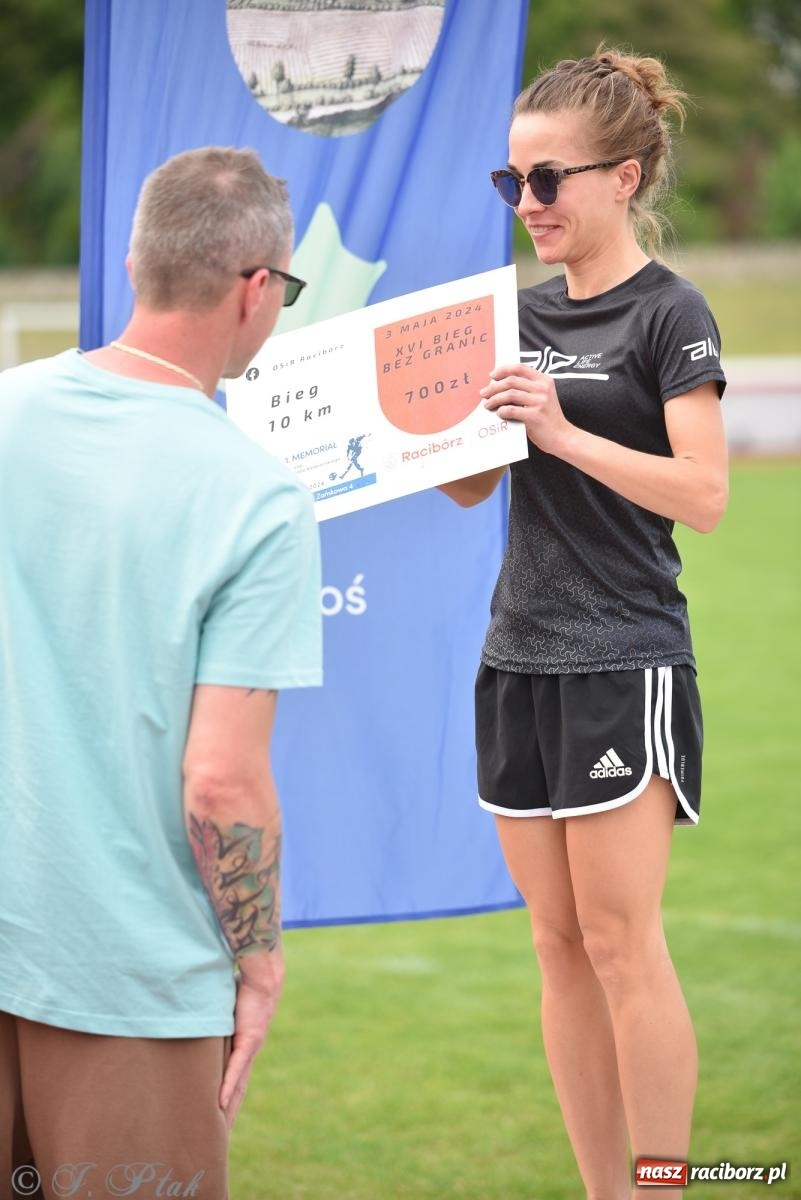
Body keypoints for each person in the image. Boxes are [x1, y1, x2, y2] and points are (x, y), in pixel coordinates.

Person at [0, 147, 322, 1197]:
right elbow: (220, 781)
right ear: (256, 289)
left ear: (137, 262)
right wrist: (261, 958)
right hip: (126, 978)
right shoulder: (255, 496)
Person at [440, 48, 728, 1200]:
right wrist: (429, 432)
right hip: (516, 659)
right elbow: (469, 486)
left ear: (627, 172)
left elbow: (703, 496)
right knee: (556, 950)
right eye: (511, 183)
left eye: (549, 179)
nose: (530, 206)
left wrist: (560, 430)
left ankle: (664, 1192)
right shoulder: (508, 310)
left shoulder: (673, 312)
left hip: (625, 662)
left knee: (620, 947)